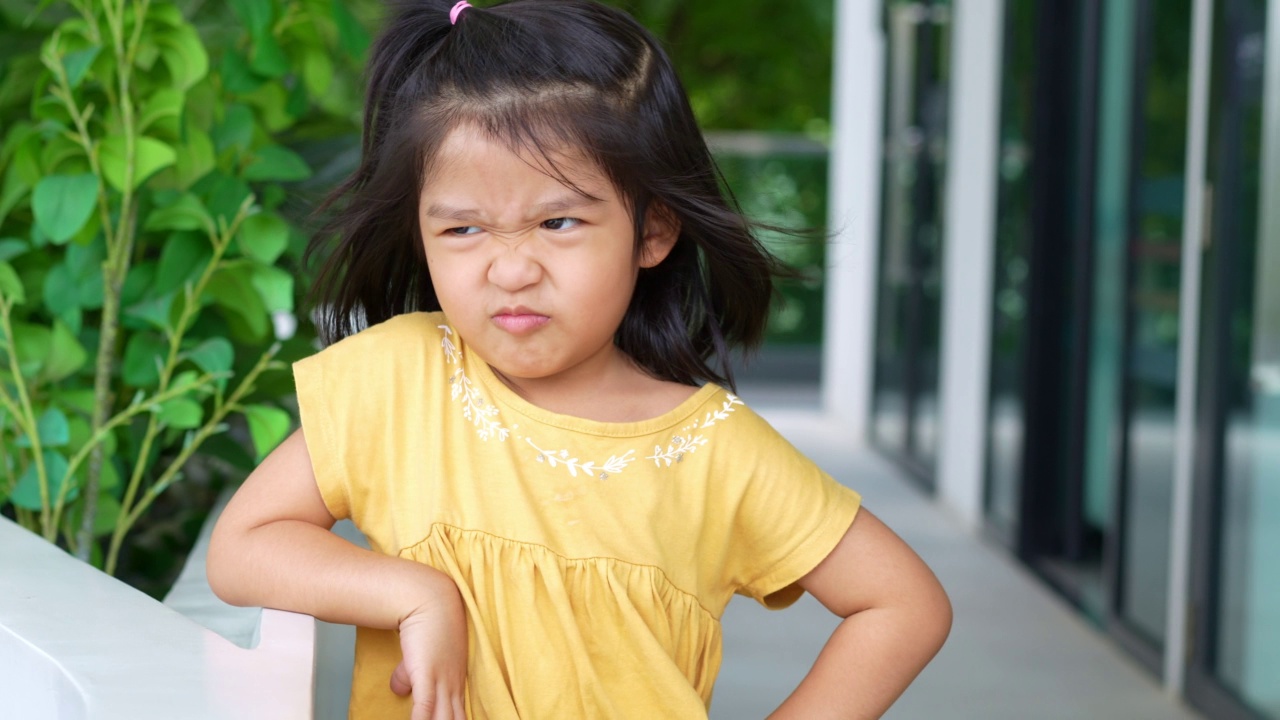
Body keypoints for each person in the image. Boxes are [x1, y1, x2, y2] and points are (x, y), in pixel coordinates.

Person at [206, 1, 952, 718]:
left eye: (557, 221)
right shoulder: (400, 381)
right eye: (463, 230)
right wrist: (415, 593)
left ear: (652, 231)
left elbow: (904, 604)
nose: (511, 269)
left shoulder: (717, 451)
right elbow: (242, 550)